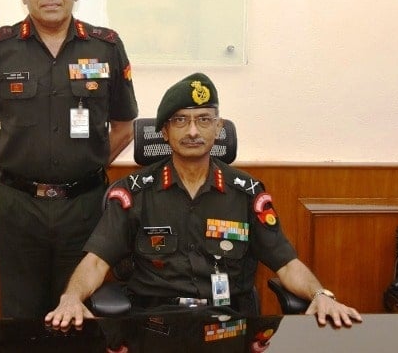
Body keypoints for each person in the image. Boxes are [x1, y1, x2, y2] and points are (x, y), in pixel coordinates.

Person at [45, 72, 362, 329]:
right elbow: (97, 260)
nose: (193, 131)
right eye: (181, 120)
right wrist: (72, 297)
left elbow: (287, 263)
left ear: (218, 128)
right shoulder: (134, 192)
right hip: (154, 324)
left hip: (229, 325)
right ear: (164, 132)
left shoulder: (247, 192)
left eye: (204, 119)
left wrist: (320, 294)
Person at [0, 0, 138, 318]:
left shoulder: (106, 47)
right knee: (20, 313)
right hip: (18, 207)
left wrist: (82, 167)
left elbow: (124, 128)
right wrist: (21, 170)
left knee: (79, 313)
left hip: (85, 207)